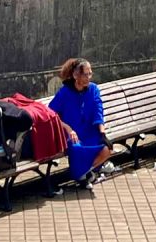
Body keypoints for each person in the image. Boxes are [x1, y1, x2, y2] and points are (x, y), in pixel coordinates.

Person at [48, 58, 113, 188]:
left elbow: (98, 110)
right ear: (75, 75)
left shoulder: (93, 89)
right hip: (72, 133)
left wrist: (102, 132)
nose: (89, 77)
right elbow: (51, 114)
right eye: (85, 74)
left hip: (90, 131)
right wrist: (68, 128)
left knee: (107, 149)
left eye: (90, 73)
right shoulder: (64, 92)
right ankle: (83, 176)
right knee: (76, 147)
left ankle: (86, 172)